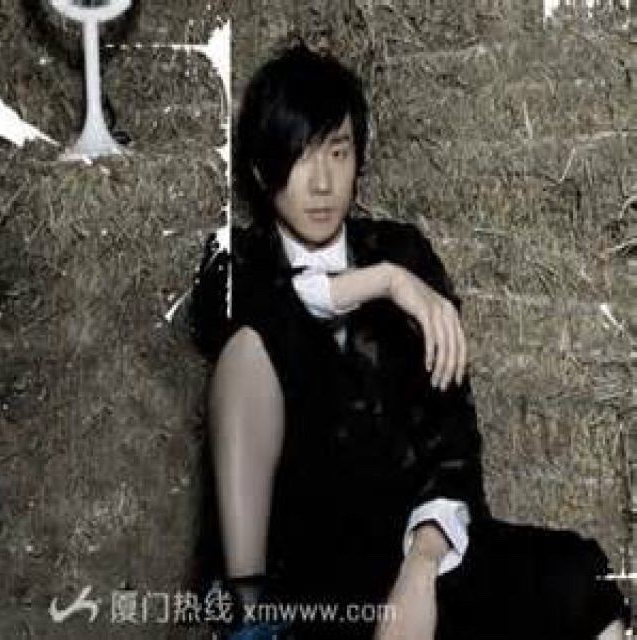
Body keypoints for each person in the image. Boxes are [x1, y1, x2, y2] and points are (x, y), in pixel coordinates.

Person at [188, 44, 628, 640]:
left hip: (404, 544)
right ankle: (249, 619)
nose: (322, 182)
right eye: (301, 156)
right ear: (265, 172)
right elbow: (236, 311)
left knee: (580, 576)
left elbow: (453, 437)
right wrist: (387, 284)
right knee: (249, 346)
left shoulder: (404, 250)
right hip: (307, 569)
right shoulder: (239, 261)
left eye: (338, 152)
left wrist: (420, 566)